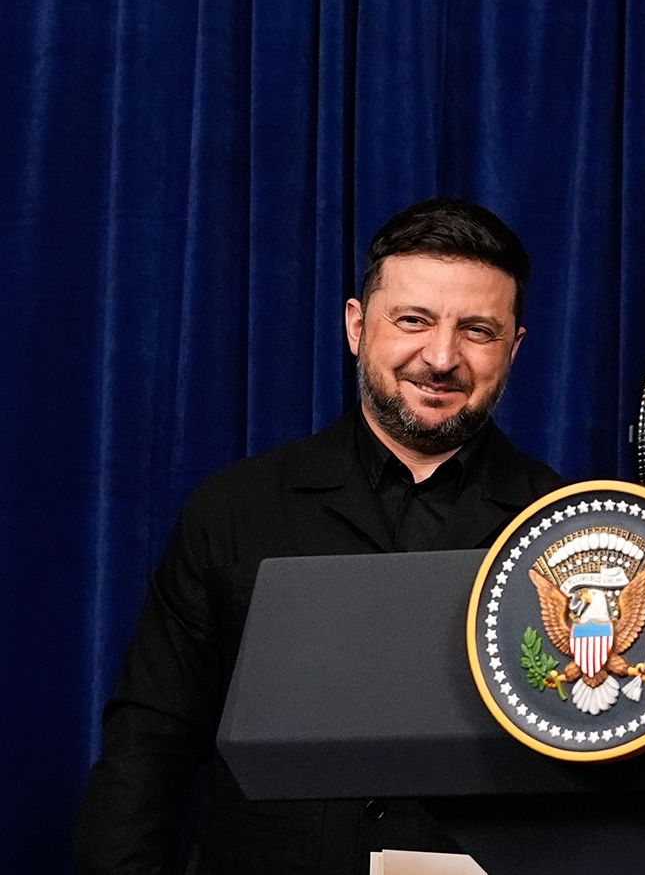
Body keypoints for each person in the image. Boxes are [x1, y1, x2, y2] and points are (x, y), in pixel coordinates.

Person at [75, 198, 565, 874]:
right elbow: (148, 745)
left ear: (513, 348)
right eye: (413, 320)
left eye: (477, 330)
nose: (442, 355)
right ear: (357, 326)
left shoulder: (566, 529)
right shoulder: (233, 508)